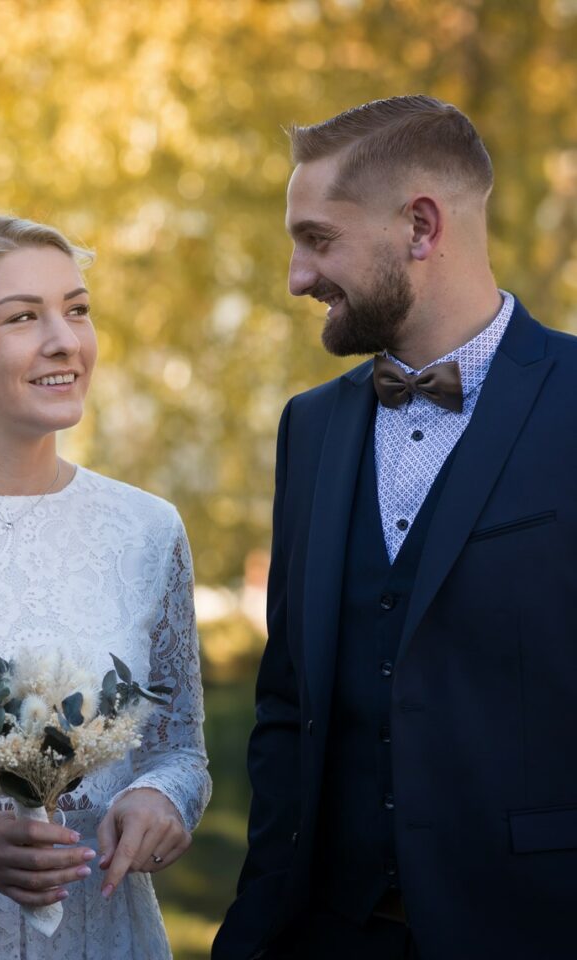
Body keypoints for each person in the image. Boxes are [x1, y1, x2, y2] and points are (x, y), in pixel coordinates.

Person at [212, 94, 577, 960]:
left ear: (420, 226)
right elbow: (287, 704)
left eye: (318, 239)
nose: (297, 277)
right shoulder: (310, 425)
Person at [0, 213, 211, 959]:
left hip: (104, 937)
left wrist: (159, 800)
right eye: (23, 317)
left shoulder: (146, 531)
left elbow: (179, 751)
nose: (67, 340)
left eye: (78, 309)